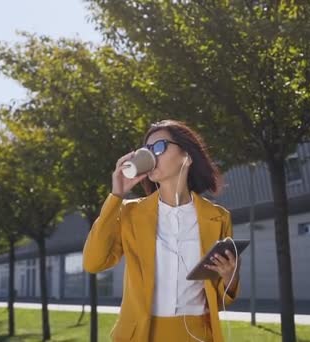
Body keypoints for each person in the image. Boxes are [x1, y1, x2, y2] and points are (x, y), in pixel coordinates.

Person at [83, 120, 241, 342]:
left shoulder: (218, 217)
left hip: (197, 335)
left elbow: (221, 299)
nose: (151, 156)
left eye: (159, 147)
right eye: (146, 150)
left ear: (187, 156)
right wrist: (116, 197)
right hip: (142, 335)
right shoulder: (130, 213)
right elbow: (93, 262)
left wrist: (229, 277)